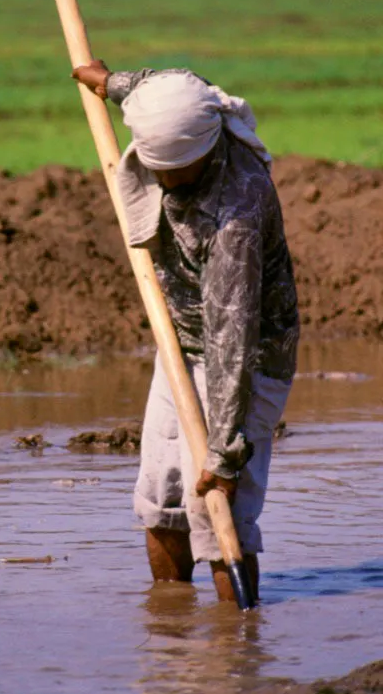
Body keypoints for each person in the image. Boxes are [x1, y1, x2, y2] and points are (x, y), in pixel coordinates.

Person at [72, 61, 299, 602]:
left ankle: (237, 645)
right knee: (161, 500)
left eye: (174, 171)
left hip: (245, 361)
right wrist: (112, 83)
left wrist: (224, 458)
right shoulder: (181, 112)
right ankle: (171, 627)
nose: (164, 180)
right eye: (157, 167)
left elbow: (231, 340)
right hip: (181, 346)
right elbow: (163, 86)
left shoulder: (235, 215)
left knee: (220, 517)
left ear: (205, 151)